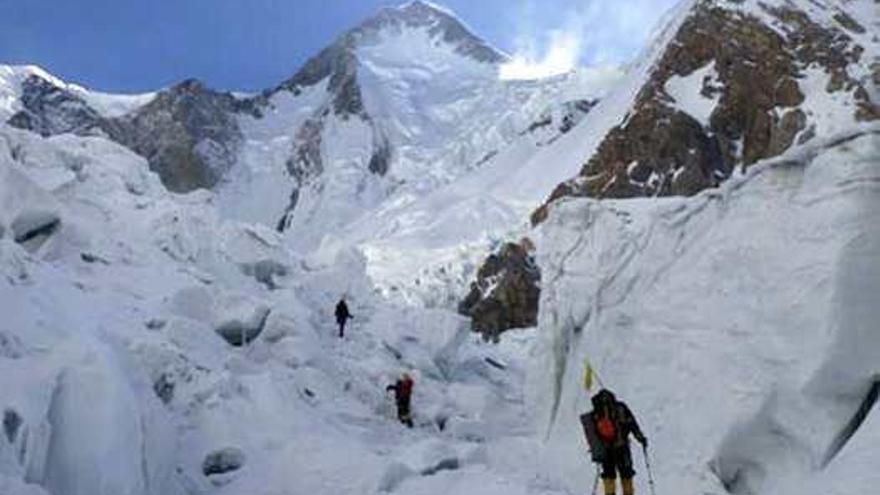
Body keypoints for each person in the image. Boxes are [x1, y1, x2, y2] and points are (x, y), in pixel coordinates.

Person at [584, 389, 647, 495]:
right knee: (626, 474)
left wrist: (596, 451)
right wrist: (640, 438)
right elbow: (632, 424)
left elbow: (592, 433)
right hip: (622, 447)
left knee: (608, 475)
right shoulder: (621, 407)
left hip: (605, 450)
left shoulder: (596, 412)